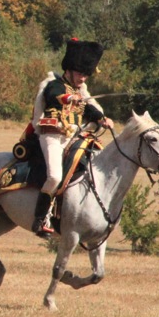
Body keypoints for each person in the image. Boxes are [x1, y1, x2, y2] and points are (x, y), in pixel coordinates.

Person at [32, 38, 112, 237]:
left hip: (72, 138)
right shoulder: (55, 84)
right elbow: (54, 95)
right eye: (80, 74)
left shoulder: (80, 92)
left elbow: (90, 109)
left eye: (86, 75)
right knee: (54, 176)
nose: (83, 78)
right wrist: (69, 98)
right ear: (68, 70)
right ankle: (40, 219)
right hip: (52, 137)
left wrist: (102, 119)